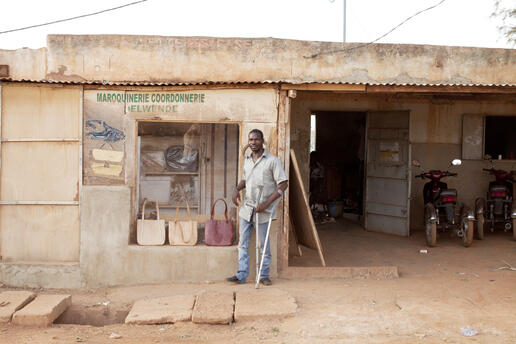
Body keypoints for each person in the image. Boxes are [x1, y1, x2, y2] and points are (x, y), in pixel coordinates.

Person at [226, 129, 288, 286]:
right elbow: (245, 180)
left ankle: (264, 274)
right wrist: (236, 189)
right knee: (243, 243)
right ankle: (241, 274)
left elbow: (283, 184)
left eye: (256, 139)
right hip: (247, 209)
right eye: (251, 140)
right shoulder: (247, 160)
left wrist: (266, 204)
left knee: (262, 244)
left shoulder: (273, 161)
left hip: (263, 209)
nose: (253, 142)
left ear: (262, 141)